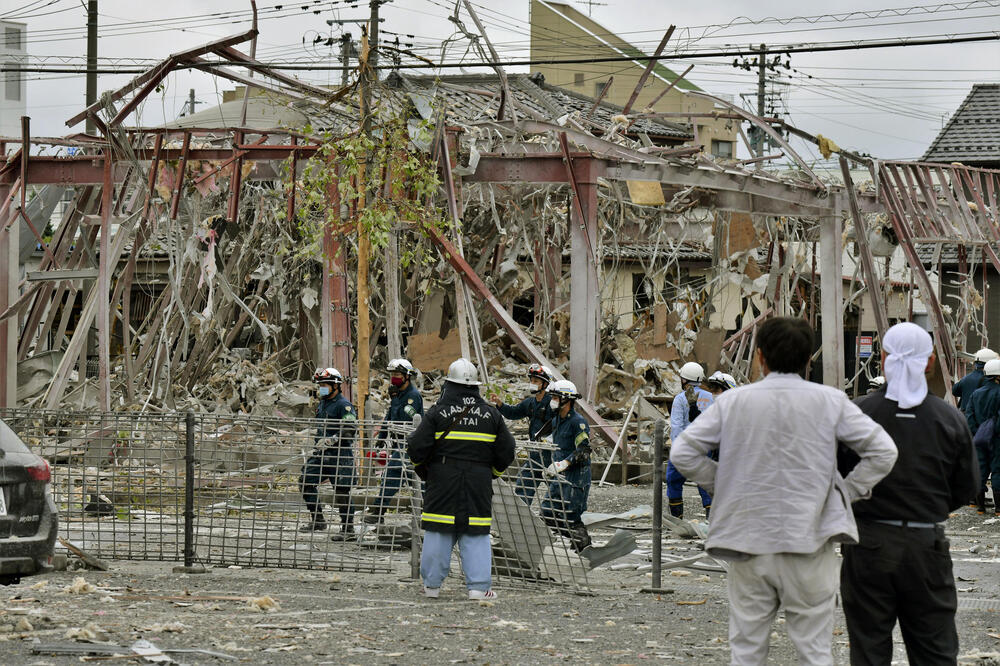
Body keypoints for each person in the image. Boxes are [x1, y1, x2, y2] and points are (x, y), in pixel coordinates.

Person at [670, 316, 897, 665]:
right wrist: (844, 493)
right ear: (808, 360)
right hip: (810, 542)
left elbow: (683, 452)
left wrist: (724, 485)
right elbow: (883, 451)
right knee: (815, 651)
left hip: (748, 543)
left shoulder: (733, 402)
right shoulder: (831, 401)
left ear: (760, 356)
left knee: (747, 651)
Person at [840, 322, 978, 665]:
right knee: (935, 651)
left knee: (868, 649)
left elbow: (836, 475)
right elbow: (967, 487)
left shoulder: (858, 413)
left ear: (883, 358)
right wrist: (928, 508)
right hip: (925, 545)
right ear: (929, 362)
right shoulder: (949, 418)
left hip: (867, 544)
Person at [407, 358, 515, 600]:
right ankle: (478, 588)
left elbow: (416, 447)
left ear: (449, 385)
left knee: (438, 529)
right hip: (478, 479)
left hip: (442, 478)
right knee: (475, 531)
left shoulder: (437, 412)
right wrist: (492, 473)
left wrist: (426, 472)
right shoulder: (491, 415)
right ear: (475, 386)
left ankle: (431, 587)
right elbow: (508, 450)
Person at [299, 367, 358, 539]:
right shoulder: (323, 403)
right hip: (321, 455)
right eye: (320, 385)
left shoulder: (344, 405)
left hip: (340, 456)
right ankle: (318, 520)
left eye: (324, 385)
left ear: (335, 386)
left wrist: (332, 440)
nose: (321, 389)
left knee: (342, 492)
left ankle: (348, 529)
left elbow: (350, 429)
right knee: (305, 481)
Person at [365, 358, 423, 524]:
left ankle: (378, 511)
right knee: (404, 480)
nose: (393, 378)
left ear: (406, 376)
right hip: (400, 445)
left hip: (411, 445)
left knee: (394, 475)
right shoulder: (399, 394)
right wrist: (381, 438)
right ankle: (378, 511)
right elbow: (390, 417)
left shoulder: (412, 396)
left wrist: (396, 399)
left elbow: (403, 420)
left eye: (397, 374)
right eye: (392, 374)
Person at [539, 379, 593, 553]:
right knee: (547, 513)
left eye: (555, 397)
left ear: (566, 400)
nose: (552, 401)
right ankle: (577, 539)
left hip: (576, 478)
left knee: (571, 517)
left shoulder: (578, 422)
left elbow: (584, 450)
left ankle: (582, 545)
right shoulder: (557, 420)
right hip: (560, 476)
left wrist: (564, 463)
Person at [489, 363, 556, 504]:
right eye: (531, 380)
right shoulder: (530, 403)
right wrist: (500, 404)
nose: (532, 383)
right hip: (535, 452)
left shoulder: (553, 404)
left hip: (551, 454)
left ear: (545, 384)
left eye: (536, 381)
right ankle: (523, 512)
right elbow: (513, 413)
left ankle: (556, 513)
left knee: (557, 488)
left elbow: (560, 425)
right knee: (524, 484)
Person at [666, 362, 714, 519]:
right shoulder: (710, 397)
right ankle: (711, 519)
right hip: (704, 447)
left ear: (685, 379)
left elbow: (676, 427)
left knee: (673, 481)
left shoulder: (680, 399)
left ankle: (677, 519)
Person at [966, 358, 1000, 515]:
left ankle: (980, 507)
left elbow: (969, 416)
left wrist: (978, 432)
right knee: (998, 469)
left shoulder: (976, 394)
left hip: (979, 438)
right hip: (997, 439)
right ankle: (998, 508)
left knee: (980, 469)